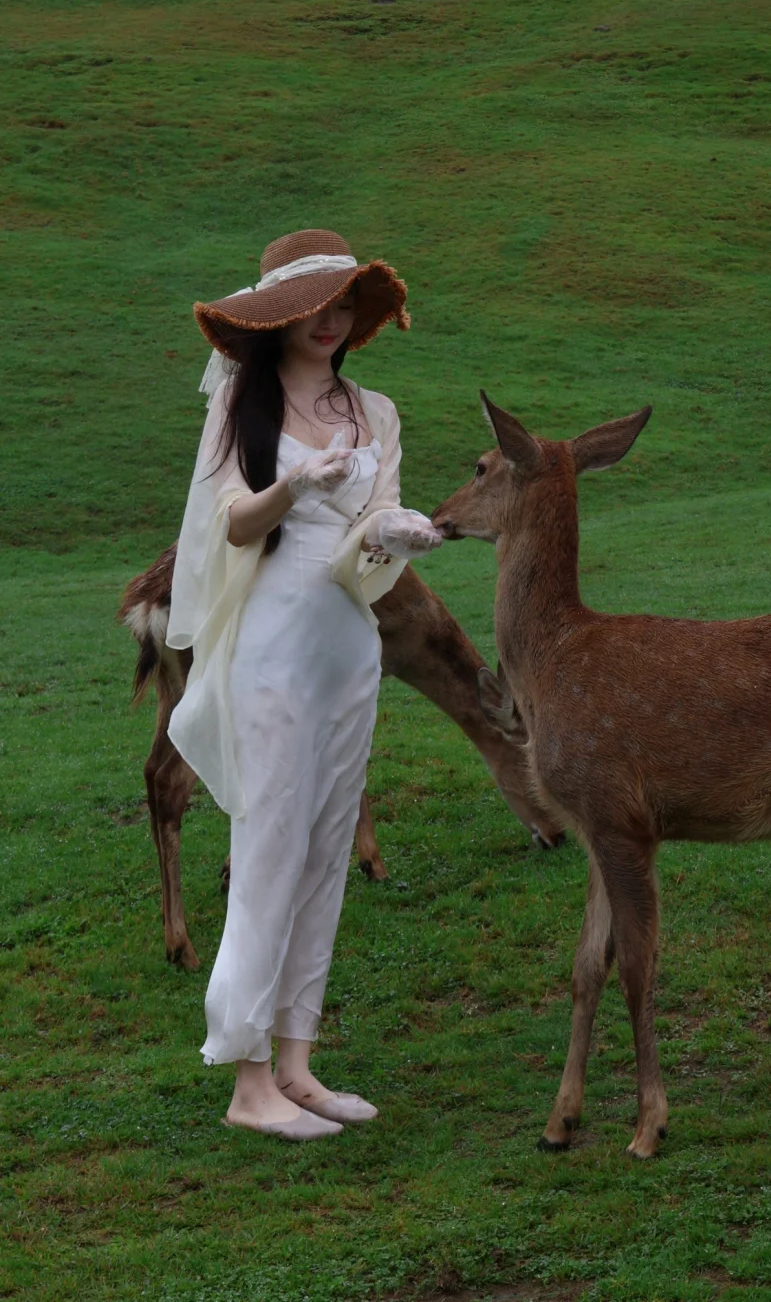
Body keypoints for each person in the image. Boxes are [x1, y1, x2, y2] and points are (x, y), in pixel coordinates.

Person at [166, 228, 443, 1141]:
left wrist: (393, 533)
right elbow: (231, 527)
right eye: (315, 306)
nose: (332, 321)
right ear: (279, 316)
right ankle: (248, 1082)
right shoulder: (242, 407)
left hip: (343, 645)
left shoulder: (376, 409)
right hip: (268, 644)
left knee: (326, 848)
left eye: (345, 305)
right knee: (271, 846)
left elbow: (367, 541)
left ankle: (296, 1061)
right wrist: (298, 486)